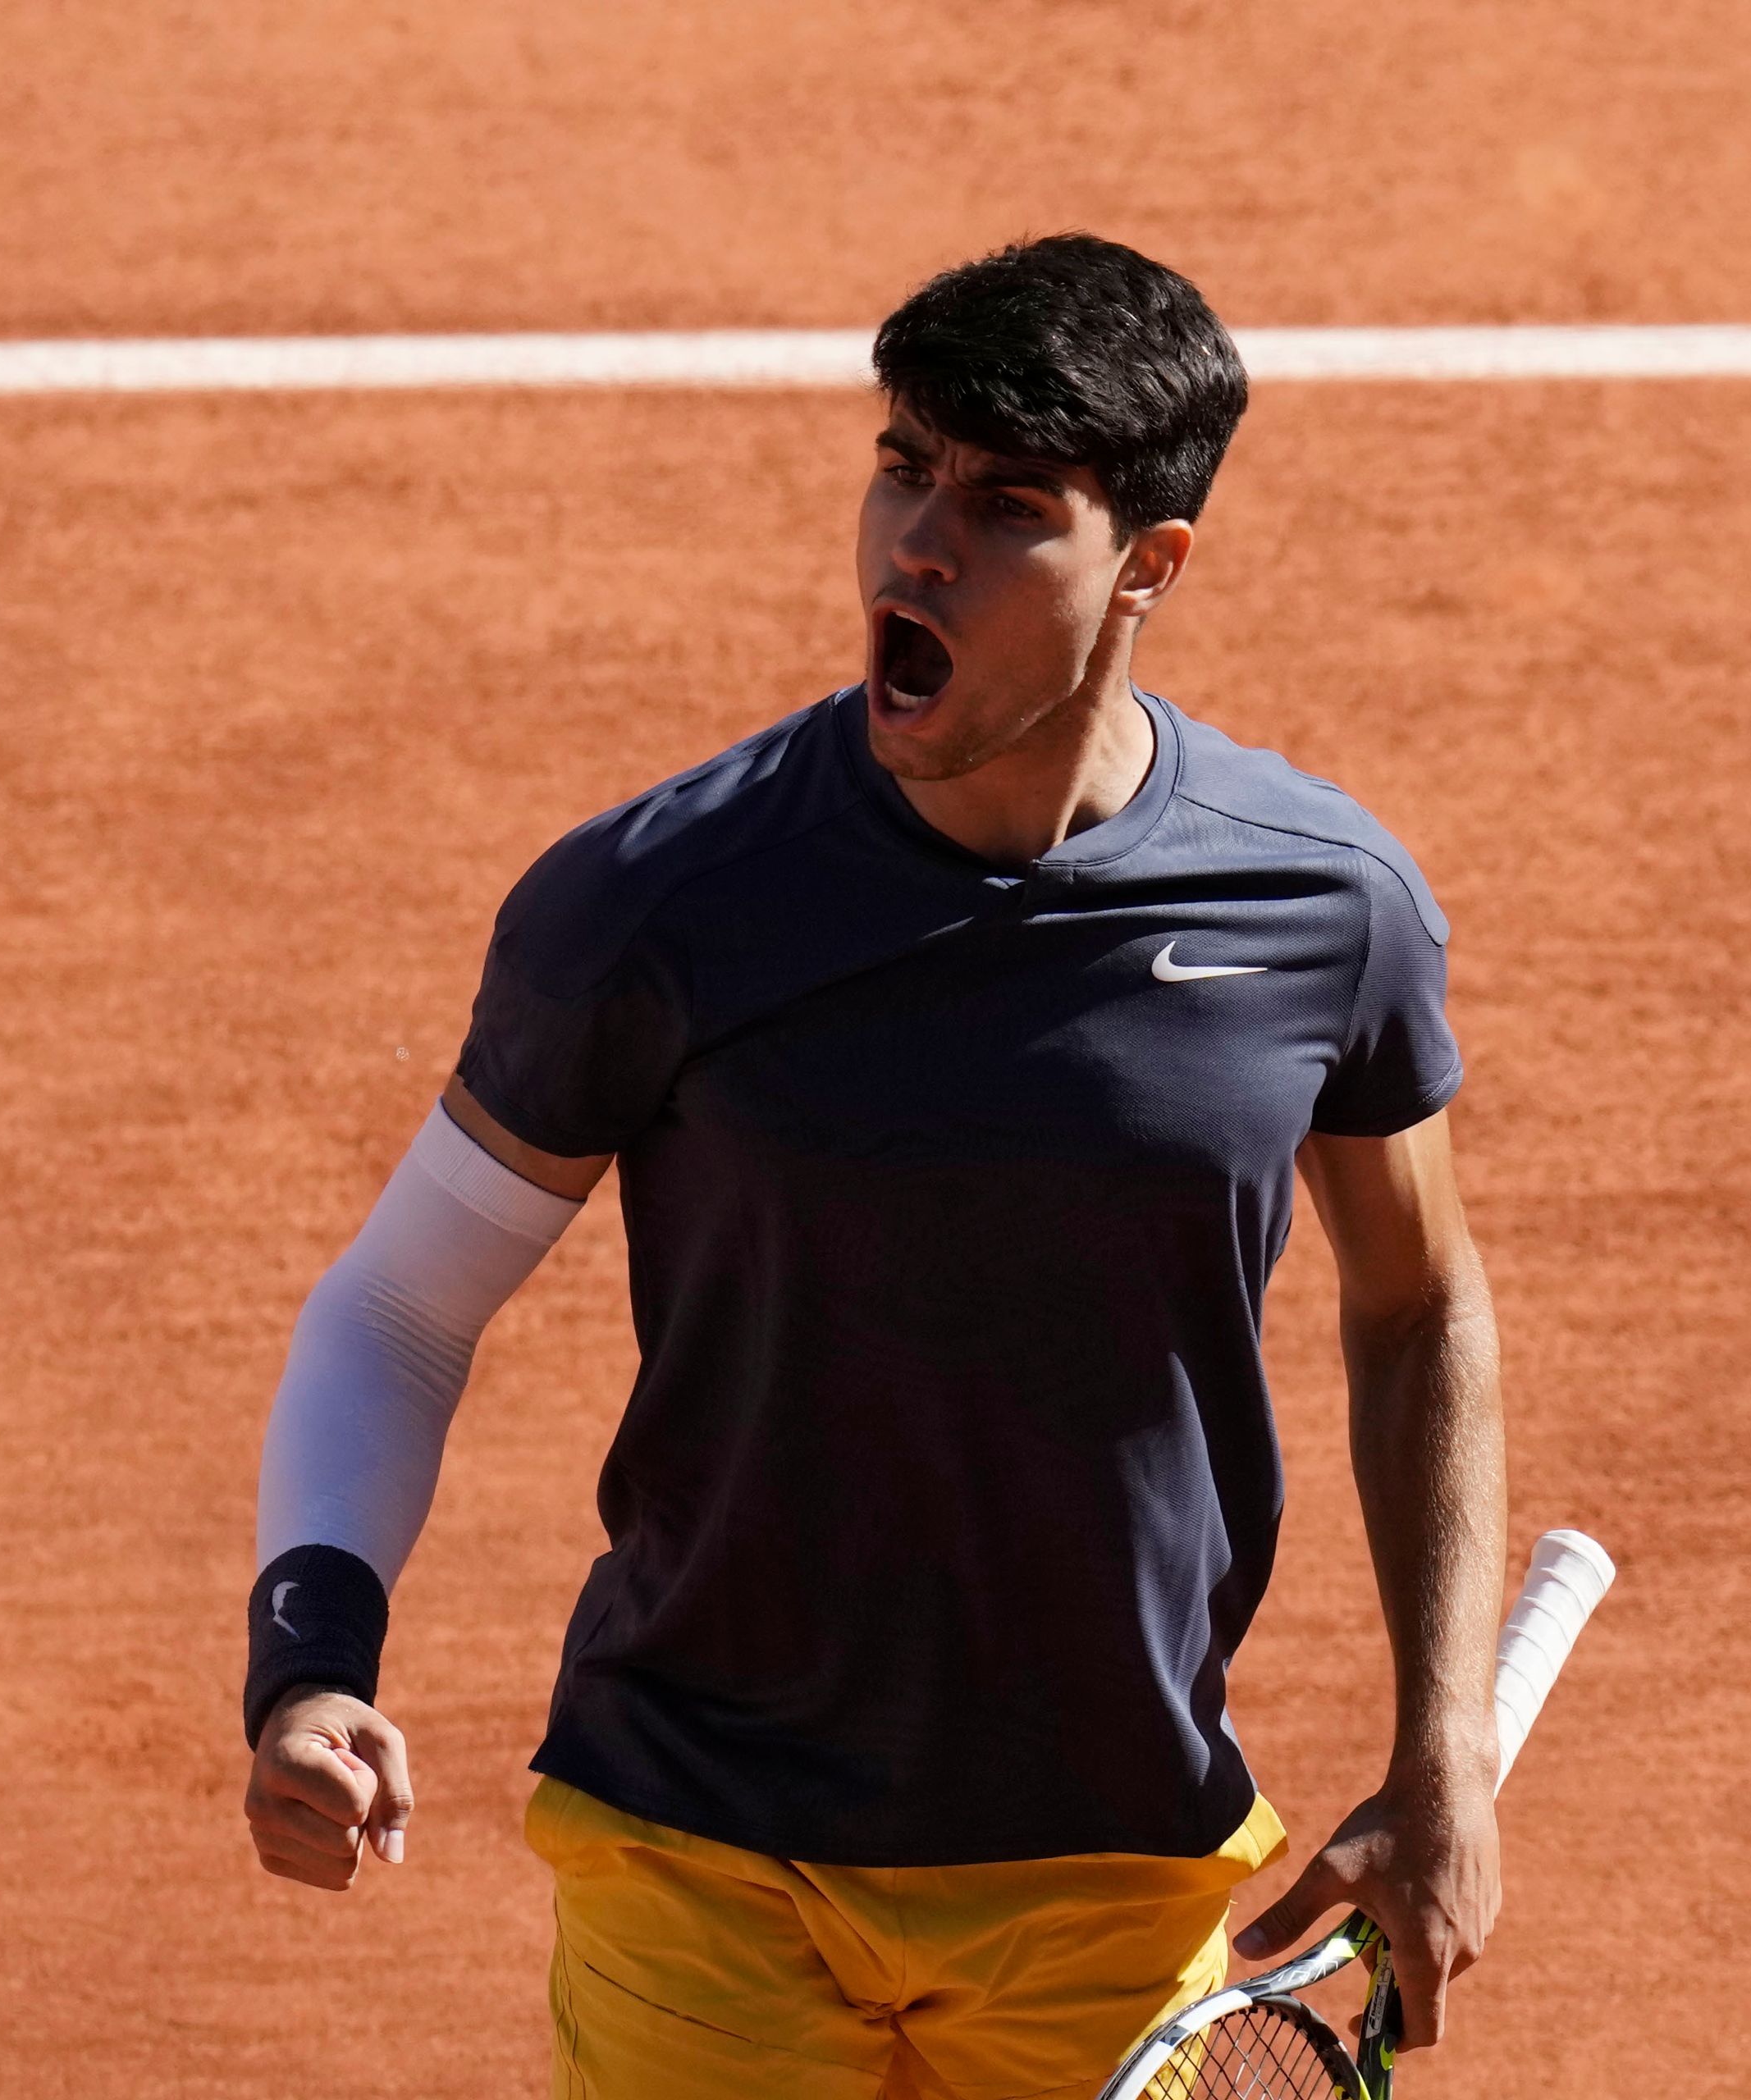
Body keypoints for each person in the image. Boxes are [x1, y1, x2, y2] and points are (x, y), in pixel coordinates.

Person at [241, 234, 1507, 2098]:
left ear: (1150, 566)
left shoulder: (1321, 907)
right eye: (903, 462)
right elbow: (405, 1298)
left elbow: (1419, 1300)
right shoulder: (661, 899)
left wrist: (1441, 1745)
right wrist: (309, 1656)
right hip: (702, 1838)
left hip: (1111, 1849)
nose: (919, 539)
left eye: (1005, 503)